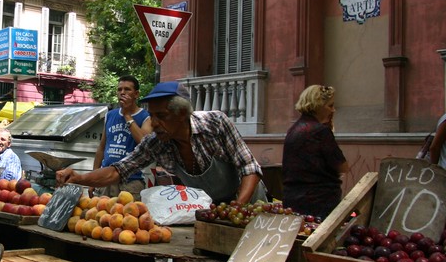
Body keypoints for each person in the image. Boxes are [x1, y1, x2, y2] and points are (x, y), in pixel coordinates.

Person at [56, 80, 264, 205]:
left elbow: (250, 167)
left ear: (182, 114)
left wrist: (238, 206)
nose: (154, 123)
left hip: (247, 202)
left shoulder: (215, 123)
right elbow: (117, 171)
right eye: (152, 115)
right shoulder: (156, 143)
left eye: (161, 116)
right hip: (211, 207)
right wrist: (79, 177)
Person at [281, 85, 349, 219]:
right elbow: (342, 166)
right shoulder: (320, 131)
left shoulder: (293, 129)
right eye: (330, 106)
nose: (333, 110)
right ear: (318, 105)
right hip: (319, 202)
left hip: (292, 200)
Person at [91, 75, 152, 199]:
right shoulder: (110, 115)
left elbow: (144, 143)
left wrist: (127, 115)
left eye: (127, 89)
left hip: (131, 181)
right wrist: (93, 178)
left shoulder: (146, 117)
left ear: (136, 94)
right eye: (119, 89)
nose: (122, 93)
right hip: (106, 178)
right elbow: (102, 148)